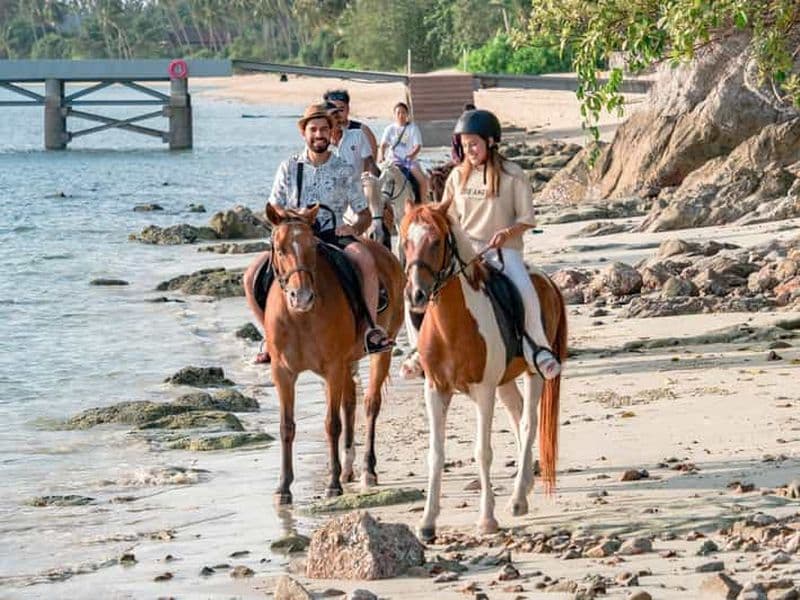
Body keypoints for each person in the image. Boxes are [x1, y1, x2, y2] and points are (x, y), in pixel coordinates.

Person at [401, 109, 561, 380]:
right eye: (464, 145)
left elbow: (526, 218)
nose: (469, 150)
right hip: (466, 250)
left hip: (503, 249)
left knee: (523, 287)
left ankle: (538, 347)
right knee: (414, 291)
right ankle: (418, 349)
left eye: (473, 144)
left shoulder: (513, 175)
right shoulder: (457, 177)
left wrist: (507, 232)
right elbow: (446, 218)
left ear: (490, 141)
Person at [242, 103, 394, 363]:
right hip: (296, 238)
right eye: (313, 129)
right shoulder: (289, 167)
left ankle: (370, 329)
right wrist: (293, 216)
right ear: (304, 133)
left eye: (324, 129)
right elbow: (274, 204)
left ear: (332, 132)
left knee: (367, 262)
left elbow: (364, 212)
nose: (319, 134)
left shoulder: (344, 169)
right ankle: (269, 336)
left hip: (331, 233)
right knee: (249, 278)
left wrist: (355, 228)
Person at [379, 102, 429, 202]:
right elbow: (383, 144)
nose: (401, 115)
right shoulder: (389, 129)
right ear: (394, 115)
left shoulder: (413, 128)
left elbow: (417, 146)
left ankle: (423, 204)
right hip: (393, 161)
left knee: (422, 181)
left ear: (407, 114)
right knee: (376, 178)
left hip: (408, 161)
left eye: (403, 112)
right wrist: (381, 155)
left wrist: (411, 155)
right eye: (398, 113)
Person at [323, 89, 379, 176]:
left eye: (341, 110)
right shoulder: (321, 137)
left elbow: (372, 160)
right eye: (333, 112)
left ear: (348, 109)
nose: (338, 115)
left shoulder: (361, 131)